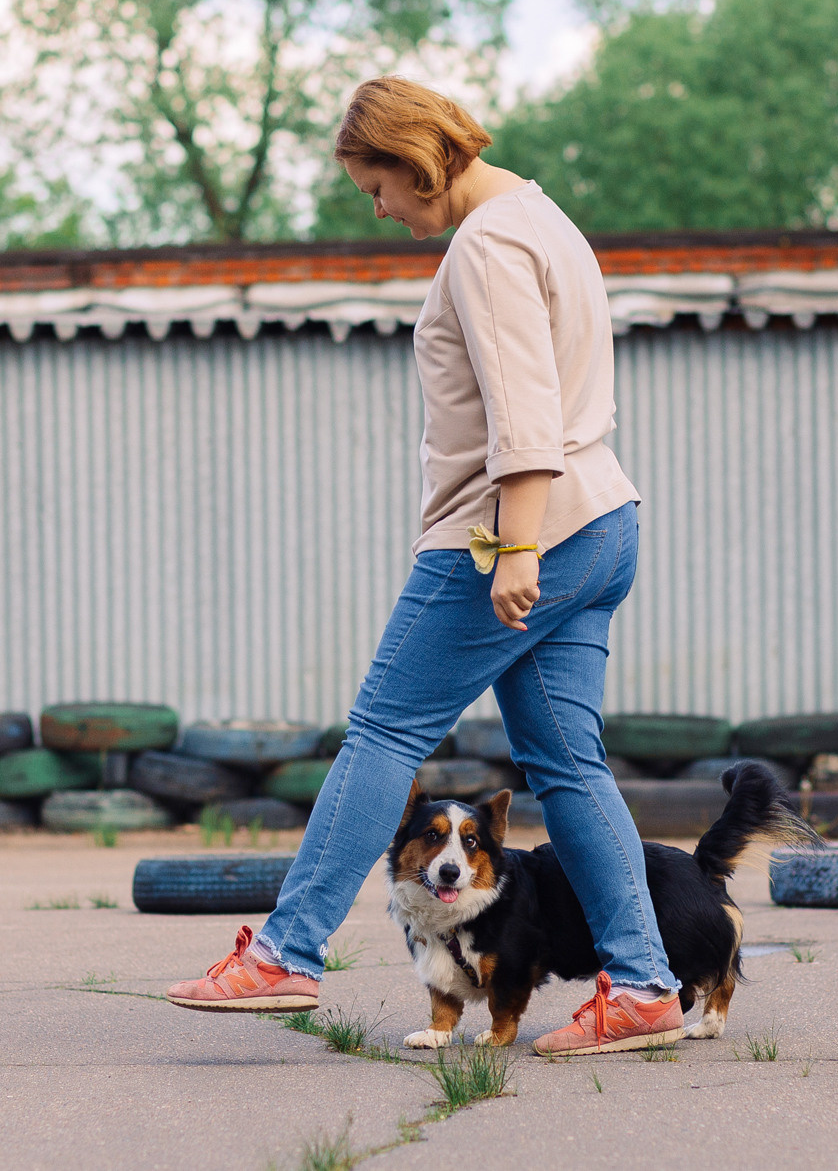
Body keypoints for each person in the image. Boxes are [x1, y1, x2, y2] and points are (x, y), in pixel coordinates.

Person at [166, 75, 682, 1056]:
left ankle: (284, 953)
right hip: (603, 517)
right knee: (568, 765)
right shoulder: (544, 219)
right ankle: (645, 985)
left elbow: (523, 416)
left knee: (382, 730)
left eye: (378, 185)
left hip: (507, 532)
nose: (379, 206)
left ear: (415, 160)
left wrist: (514, 547)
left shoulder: (483, 245)